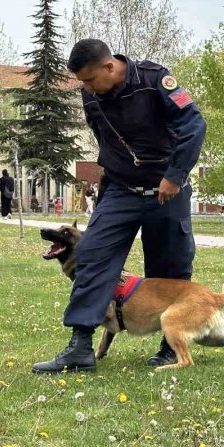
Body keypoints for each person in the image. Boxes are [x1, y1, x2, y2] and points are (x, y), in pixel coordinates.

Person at [32, 38, 207, 373]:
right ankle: (80, 347)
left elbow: (193, 124)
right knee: (91, 256)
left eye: (89, 79)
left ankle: (170, 348)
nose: (86, 88)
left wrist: (176, 173)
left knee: (171, 265)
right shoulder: (91, 94)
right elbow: (107, 139)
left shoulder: (155, 80)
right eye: (82, 82)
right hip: (120, 189)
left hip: (166, 189)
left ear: (109, 66)